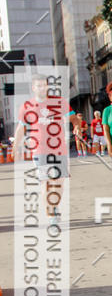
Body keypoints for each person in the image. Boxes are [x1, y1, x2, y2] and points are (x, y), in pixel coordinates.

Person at [13, 73, 81, 216]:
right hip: (39, 150)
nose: (42, 88)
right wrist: (15, 147)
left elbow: (73, 118)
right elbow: (20, 129)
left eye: (45, 85)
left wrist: (77, 126)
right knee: (46, 182)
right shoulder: (27, 106)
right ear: (33, 88)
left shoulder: (59, 102)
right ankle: (51, 212)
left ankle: (54, 205)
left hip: (59, 150)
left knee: (60, 182)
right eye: (39, 86)